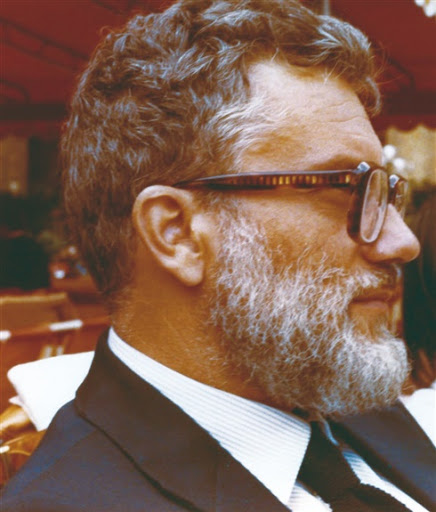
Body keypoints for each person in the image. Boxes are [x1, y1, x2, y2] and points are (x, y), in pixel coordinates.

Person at [1, 1, 434, 510]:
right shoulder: (71, 501)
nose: (402, 242)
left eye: (386, 193)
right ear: (178, 233)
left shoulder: (353, 407)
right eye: (346, 189)